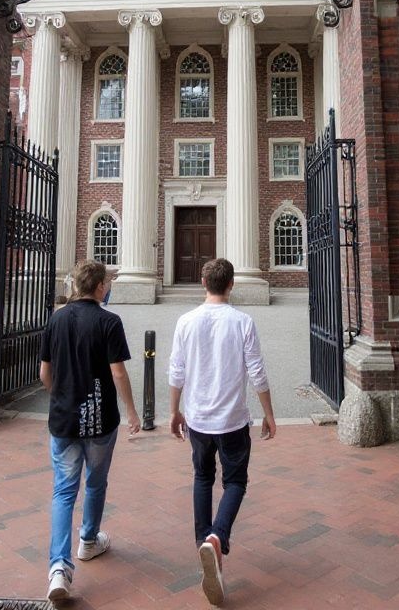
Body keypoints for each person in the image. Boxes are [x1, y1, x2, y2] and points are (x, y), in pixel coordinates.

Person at [168, 258, 276, 606]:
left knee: (202, 478)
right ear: (231, 285)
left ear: (203, 282)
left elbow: (176, 371)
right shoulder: (243, 321)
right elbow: (257, 372)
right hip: (232, 421)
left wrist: (174, 411)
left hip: (198, 420)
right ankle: (216, 538)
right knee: (236, 482)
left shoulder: (186, 321)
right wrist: (269, 414)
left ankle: (206, 542)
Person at [40, 260, 141, 602]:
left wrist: (60, 398)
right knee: (95, 481)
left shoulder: (57, 318)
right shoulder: (109, 321)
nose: (109, 287)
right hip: (100, 421)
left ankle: (58, 570)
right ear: (99, 288)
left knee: (63, 491)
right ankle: (88, 540)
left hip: (64, 420)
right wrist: (131, 412)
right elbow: (119, 375)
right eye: (108, 283)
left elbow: (44, 372)